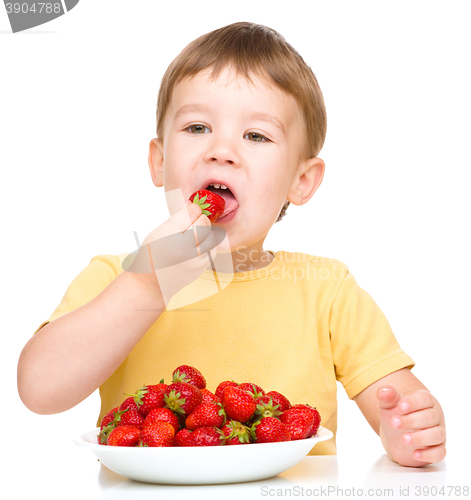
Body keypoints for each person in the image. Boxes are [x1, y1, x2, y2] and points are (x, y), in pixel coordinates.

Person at [17, 22, 445, 467]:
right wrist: (146, 287)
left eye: (256, 135)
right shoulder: (116, 277)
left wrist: (408, 427)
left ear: (301, 181)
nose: (221, 151)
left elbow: (396, 398)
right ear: (160, 162)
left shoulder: (325, 290)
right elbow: (39, 390)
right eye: (198, 127)